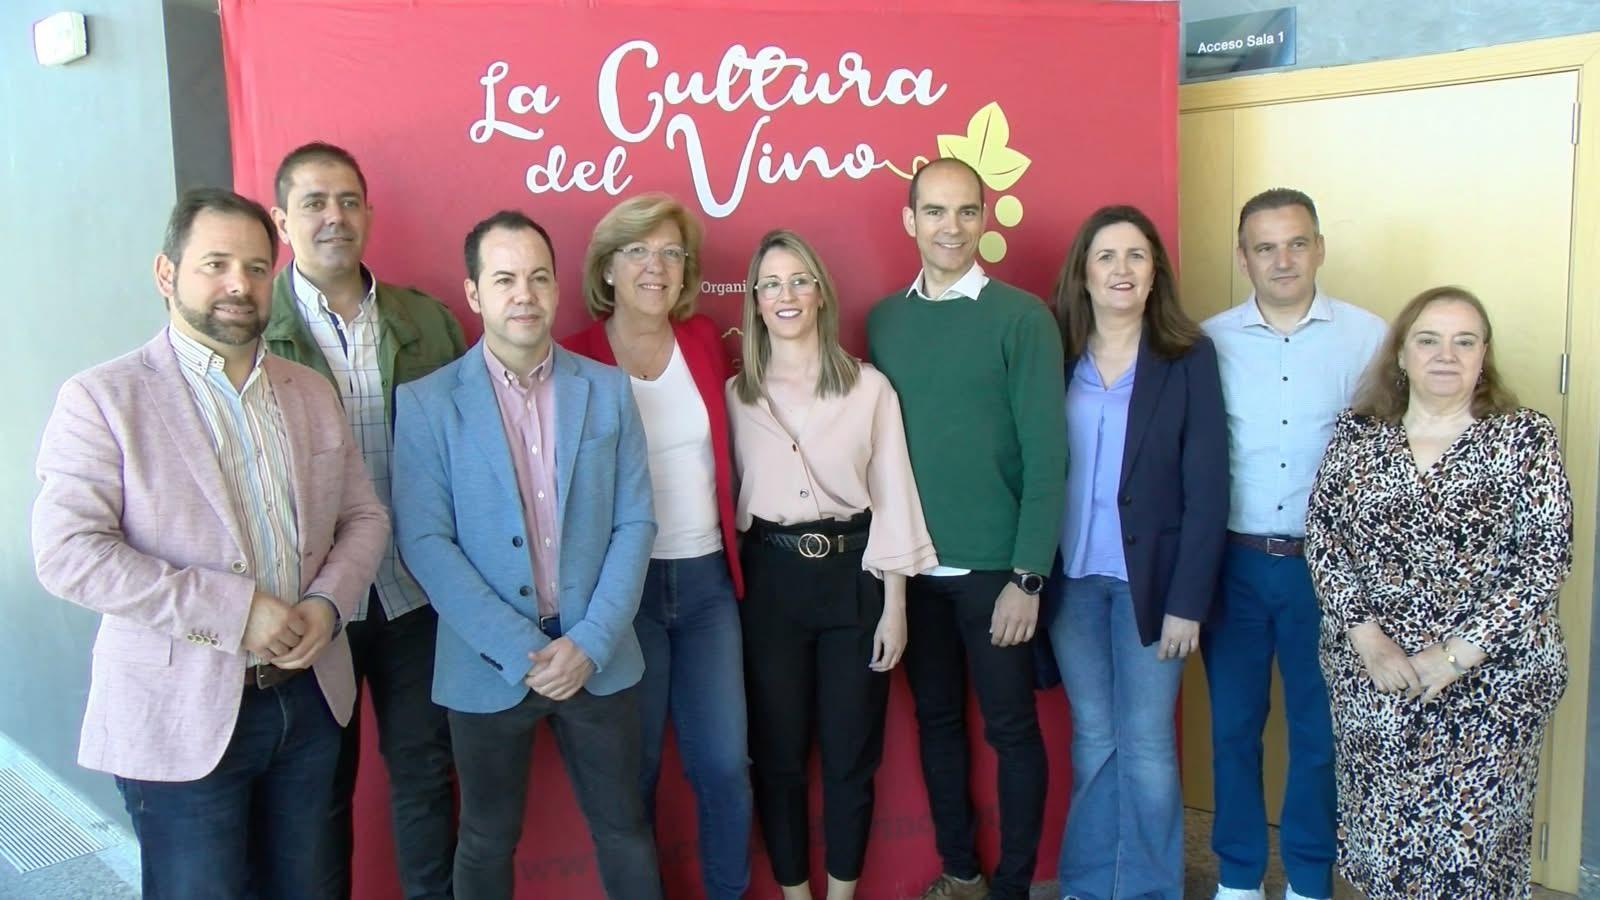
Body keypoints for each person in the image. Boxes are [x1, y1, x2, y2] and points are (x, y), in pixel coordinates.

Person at [31, 188, 390, 899]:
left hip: (311, 701)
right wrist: (237, 612)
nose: (238, 284)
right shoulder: (103, 398)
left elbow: (364, 516)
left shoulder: (309, 391)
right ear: (166, 273)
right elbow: (69, 553)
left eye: (256, 268)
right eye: (216, 264)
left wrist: (327, 604)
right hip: (179, 716)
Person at [391, 210, 661, 900]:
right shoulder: (426, 405)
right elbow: (425, 542)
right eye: (505, 279)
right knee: (485, 839)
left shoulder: (607, 389)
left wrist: (589, 643)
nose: (525, 294)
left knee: (626, 830)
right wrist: (521, 652)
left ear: (556, 288)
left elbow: (635, 521)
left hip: (596, 655)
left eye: (539, 277)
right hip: (487, 663)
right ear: (473, 293)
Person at [1305, 286, 1570, 899]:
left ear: (1483, 355)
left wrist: (1454, 656)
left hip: (1492, 684)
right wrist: (1369, 641)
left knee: (1471, 857)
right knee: (1384, 845)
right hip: (1377, 679)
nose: (1445, 355)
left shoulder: (1524, 437)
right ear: (1401, 353)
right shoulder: (1357, 433)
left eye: (1463, 341)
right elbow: (1324, 539)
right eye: (1428, 340)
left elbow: (1545, 557)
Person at [263, 140, 464, 900]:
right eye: (314, 202)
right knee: (316, 792)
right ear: (282, 220)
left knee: (426, 777)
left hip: (416, 593)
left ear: (369, 214)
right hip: (313, 604)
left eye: (348, 201)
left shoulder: (426, 320)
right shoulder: (255, 325)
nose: (334, 216)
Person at [867, 157, 1067, 900]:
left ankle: (1013, 887)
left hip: (996, 574)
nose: (951, 227)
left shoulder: (1022, 317)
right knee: (937, 725)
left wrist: (1028, 576)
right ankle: (962, 872)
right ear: (909, 221)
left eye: (966, 211)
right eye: (935, 211)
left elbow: (1048, 456)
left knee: (1011, 731)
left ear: (984, 219)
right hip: (914, 573)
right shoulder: (885, 322)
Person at [729, 229, 938, 900]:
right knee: (779, 758)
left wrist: (895, 607)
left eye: (799, 280)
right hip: (770, 587)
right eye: (771, 284)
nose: (785, 295)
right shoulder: (735, 395)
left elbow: (894, 495)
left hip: (856, 582)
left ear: (820, 293)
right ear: (755, 301)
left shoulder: (869, 389)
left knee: (851, 757)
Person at [561, 193, 752, 899]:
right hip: (621, 595)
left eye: (672, 253)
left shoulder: (702, 339)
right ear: (607, 268)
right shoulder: (574, 356)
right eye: (638, 250)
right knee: (630, 774)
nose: (656, 265)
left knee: (725, 766)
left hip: (706, 585)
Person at [1200, 188, 1386, 900]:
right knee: (1232, 729)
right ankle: (1238, 878)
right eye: (1266, 247)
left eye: (1297, 243)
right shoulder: (1208, 342)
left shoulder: (1369, 338)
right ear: (1242, 257)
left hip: (1327, 572)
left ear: (1319, 248)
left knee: (1319, 732)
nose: (1283, 260)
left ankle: (1309, 879)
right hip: (1234, 566)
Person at [1045, 205, 1228, 899]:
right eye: (1106, 256)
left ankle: (1149, 889)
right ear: (1083, 274)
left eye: (1136, 256)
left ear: (1155, 274)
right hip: (1071, 580)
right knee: (1094, 737)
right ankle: (1090, 886)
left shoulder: (1188, 357)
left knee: (1147, 743)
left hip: (1152, 585)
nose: (1121, 269)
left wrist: (1188, 603)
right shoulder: (1055, 354)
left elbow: (1208, 488)